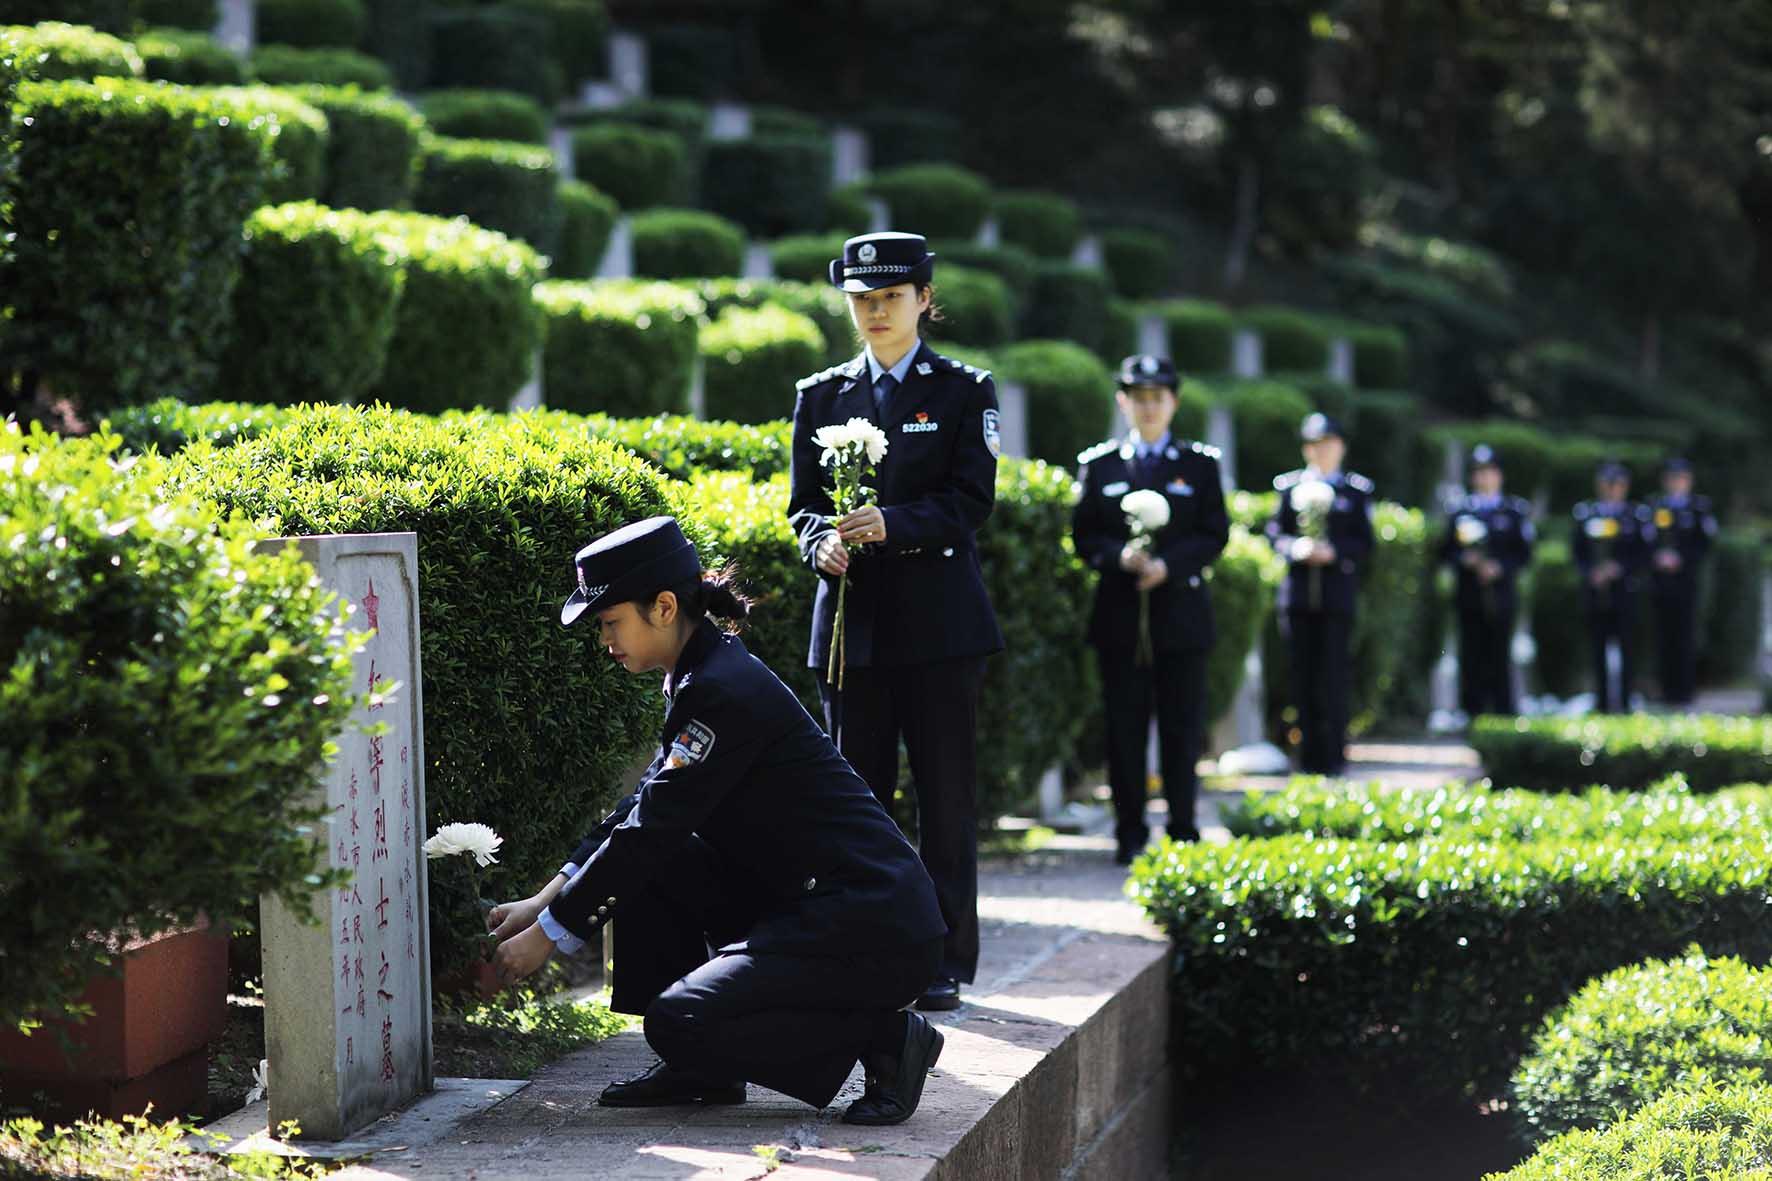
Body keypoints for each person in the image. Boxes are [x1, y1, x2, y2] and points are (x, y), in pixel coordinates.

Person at [486, 516, 948, 1126]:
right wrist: (544, 900)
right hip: (809, 903)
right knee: (661, 859)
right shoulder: (701, 673)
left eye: (610, 622)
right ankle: (702, 1068)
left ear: (663, 607)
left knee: (678, 1019)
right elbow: (642, 809)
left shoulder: (722, 689)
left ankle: (886, 1039)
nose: (604, 640)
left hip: (868, 925)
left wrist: (548, 936)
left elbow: (652, 828)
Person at [785, 231, 1003, 1013]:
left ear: (923, 300)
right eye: (862, 299)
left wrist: (895, 524)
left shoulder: (963, 390)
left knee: (944, 798)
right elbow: (802, 506)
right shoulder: (821, 395)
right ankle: (867, 946)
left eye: (891, 298)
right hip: (853, 628)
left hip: (940, 627)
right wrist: (819, 545)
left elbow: (971, 500)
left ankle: (941, 956)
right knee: (857, 800)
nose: (875, 311)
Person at [1071, 354, 1228, 863]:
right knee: (1124, 730)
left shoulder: (1199, 465)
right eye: (1138, 398)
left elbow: (1214, 534)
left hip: (1181, 617)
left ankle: (1183, 831)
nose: (1149, 408)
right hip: (1120, 617)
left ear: (1173, 402)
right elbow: (1083, 536)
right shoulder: (1100, 464)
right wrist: (1118, 556)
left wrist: (1170, 565)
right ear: (1123, 402)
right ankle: (1129, 834)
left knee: (1182, 730)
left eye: (1157, 398)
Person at [1264, 413, 1376, 776]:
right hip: (1298, 597)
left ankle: (1335, 754)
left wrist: (1336, 552)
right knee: (1302, 675)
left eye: (1329, 443)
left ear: (1340, 447)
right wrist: (1295, 548)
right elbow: (1275, 533)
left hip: (1336, 595)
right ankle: (1307, 755)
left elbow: (1365, 542)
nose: (1322, 451)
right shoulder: (1289, 486)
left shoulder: (1355, 490)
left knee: (1334, 675)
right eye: (1315, 444)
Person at [1437, 444, 1535, 718]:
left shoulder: (1513, 512)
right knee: (1471, 653)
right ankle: (1472, 711)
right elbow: (1445, 551)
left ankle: (1503, 711)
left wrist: (1500, 567)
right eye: (1479, 472)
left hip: (1501, 595)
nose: (1484, 478)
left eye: (1489, 472)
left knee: (1500, 652)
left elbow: (1524, 554)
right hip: (1469, 595)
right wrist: (1465, 560)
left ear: (1499, 475)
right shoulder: (1460, 512)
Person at [1571, 461, 1655, 714]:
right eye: (1607, 484)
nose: (1612, 490)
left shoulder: (1635, 516)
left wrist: (1620, 568)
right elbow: (1577, 552)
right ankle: (1602, 702)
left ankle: (1626, 701)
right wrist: (1591, 572)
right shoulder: (1586, 514)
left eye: (1617, 485)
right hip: (1596, 593)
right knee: (1597, 648)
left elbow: (1644, 553)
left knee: (1627, 647)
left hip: (1624, 592)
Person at [1647, 457, 1718, 707]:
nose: (1676, 483)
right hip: (1661, 583)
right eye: (1672, 478)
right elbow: (1646, 541)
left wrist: (1682, 559)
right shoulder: (1655, 506)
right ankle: (1665, 691)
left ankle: (1684, 692)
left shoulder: (1699, 509)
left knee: (1685, 637)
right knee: (1663, 637)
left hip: (1686, 582)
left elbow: (1705, 544)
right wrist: (1658, 557)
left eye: (1681, 478)